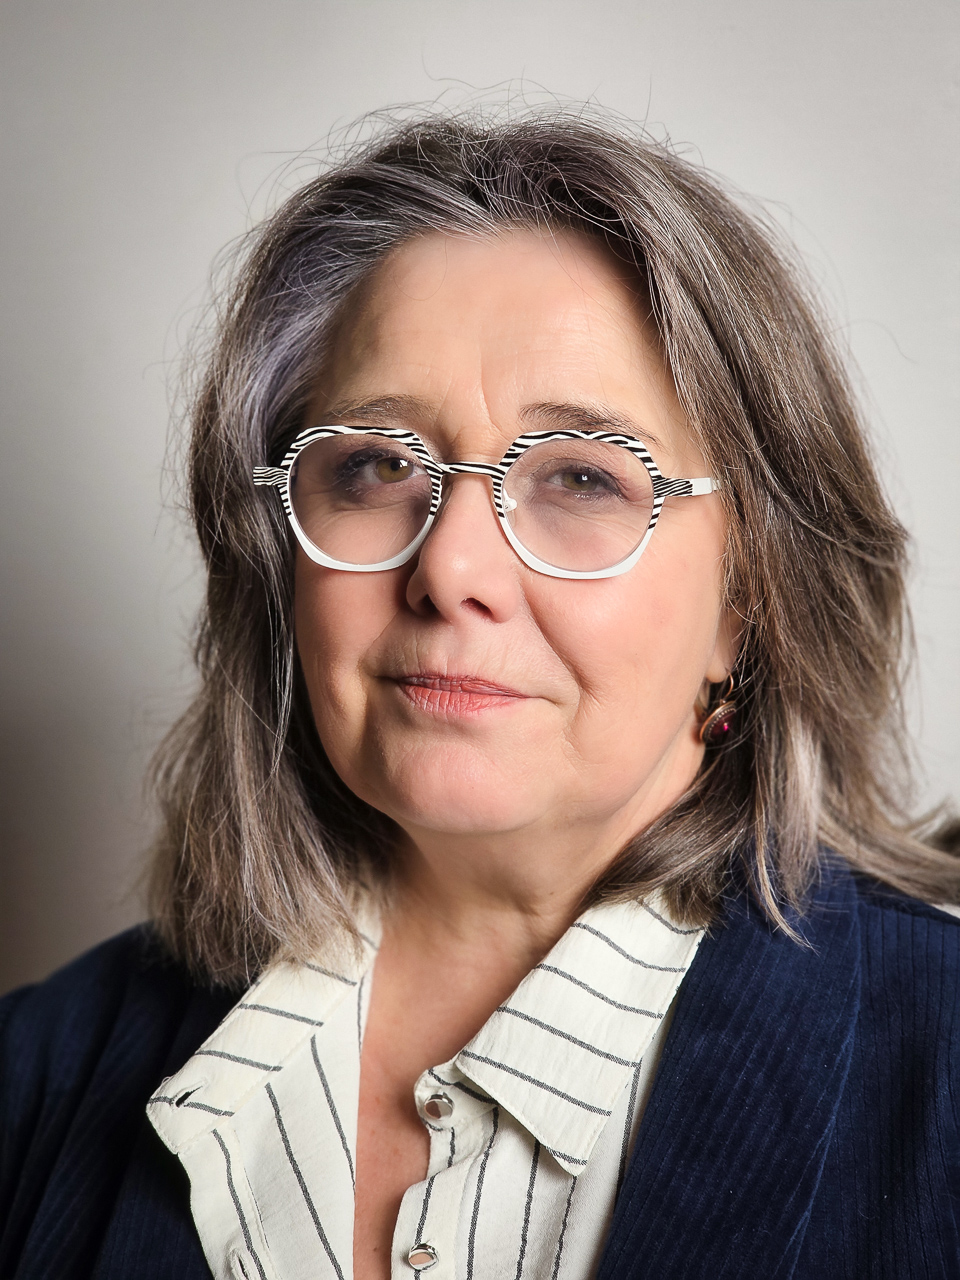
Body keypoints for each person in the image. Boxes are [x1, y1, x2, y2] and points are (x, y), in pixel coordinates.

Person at [1, 112, 958, 1280]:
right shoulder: (35, 1071)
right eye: (377, 464)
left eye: (582, 478)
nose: (451, 567)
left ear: (748, 598)